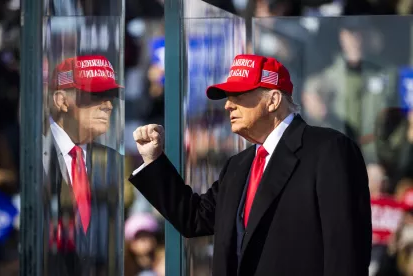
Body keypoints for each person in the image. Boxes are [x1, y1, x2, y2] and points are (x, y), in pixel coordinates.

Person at [129, 54, 372, 276]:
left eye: (239, 95)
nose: (228, 105)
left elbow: (346, 248)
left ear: (273, 100)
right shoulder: (238, 166)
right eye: (228, 97)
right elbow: (194, 219)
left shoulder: (328, 149)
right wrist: (153, 159)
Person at [43, 55, 123, 276]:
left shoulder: (113, 160)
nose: (107, 106)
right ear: (61, 101)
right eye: (94, 95)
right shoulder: (32, 152)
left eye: (110, 97)